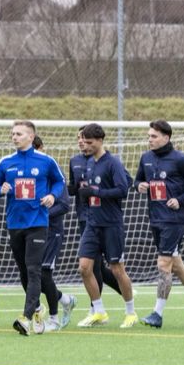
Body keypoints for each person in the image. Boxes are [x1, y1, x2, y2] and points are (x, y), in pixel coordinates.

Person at [135, 120, 184, 329]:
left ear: (166, 138)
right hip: (155, 219)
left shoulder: (180, 159)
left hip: (174, 220)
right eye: (149, 136)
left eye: (153, 136)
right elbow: (137, 181)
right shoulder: (146, 158)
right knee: (176, 265)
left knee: (163, 264)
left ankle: (157, 314)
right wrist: (139, 186)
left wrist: (180, 199)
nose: (149, 139)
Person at [0, 120, 63, 335]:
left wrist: (51, 195)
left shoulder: (46, 161)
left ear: (31, 137)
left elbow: (59, 182)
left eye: (19, 134)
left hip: (38, 222)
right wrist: (0, 190)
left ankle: (26, 317)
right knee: (23, 270)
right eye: (13, 133)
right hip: (14, 223)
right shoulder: (5, 162)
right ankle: (38, 308)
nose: (14, 137)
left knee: (33, 269)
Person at [75, 123, 137, 328]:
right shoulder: (89, 163)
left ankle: (130, 312)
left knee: (117, 269)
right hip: (92, 224)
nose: (86, 145)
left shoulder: (113, 163)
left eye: (90, 142)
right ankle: (99, 311)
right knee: (85, 268)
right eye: (84, 141)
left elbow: (123, 190)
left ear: (100, 141)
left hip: (111, 224)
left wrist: (96, 192)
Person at [68, 127, 122, 313]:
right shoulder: (75, 161)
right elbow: (73, 187)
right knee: (88, 265)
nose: (82, 142)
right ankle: (97, 308)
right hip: (86, 218)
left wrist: (96, 191)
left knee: (107, 266)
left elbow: (124, 185)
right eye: (79, 138)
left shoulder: (108, 161)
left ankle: (122, 298)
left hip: (106, 218)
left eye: (86, 139)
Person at [32, 135, 77, 331]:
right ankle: (64, 299)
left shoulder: (51, 170)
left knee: (44, 272)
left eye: (34, 148)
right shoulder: (24, 172)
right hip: (30, 231)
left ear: (41, 147)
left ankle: (54, 318)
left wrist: (42, 215)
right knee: (31, 273)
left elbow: (64, 205)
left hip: (51, 232)